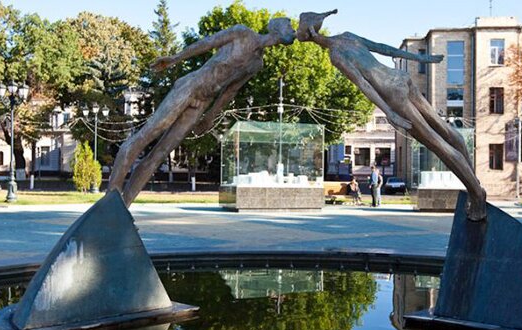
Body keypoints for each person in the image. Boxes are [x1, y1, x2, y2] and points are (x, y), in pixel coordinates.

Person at [297, 10, 486, 221]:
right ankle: (474, 186)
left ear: (312, 36)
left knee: (438, 144)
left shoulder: (336, 55)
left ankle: (477, 195)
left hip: (393, 94)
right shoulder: (348, 36)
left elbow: (363, 83)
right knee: (449, 132)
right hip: (400, 77)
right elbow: (383, 49)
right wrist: (420, 58)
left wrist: (389, 112)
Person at [108, 18, 296, 205]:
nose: (293, 29)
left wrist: (210, 117)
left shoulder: (257, 64)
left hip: (203, 102)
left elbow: (229, 91)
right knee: (145, 136)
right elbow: (207, 43)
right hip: (191, 86)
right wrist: (175, 58)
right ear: (276, 28)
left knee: (159, 155)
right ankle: (109, 203)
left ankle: (122, 209)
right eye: (289, 26)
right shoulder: (242, 33)